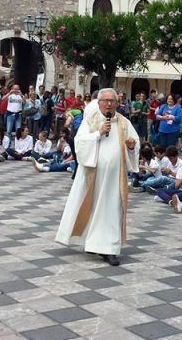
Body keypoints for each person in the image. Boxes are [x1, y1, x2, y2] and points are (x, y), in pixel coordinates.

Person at [55, 88, 140, 267]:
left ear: (117, 103)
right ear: (99, 102)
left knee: (111, 210)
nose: (109, 104)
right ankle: (93, 243)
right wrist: (98, 133)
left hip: (115, 178)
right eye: (106, 100)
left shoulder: (124, 122)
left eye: (112, 101)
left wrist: (131, 147)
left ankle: (109, 249)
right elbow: (79, 143)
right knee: (93, 209)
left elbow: (134, 142)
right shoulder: (91, 120)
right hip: (94, 176)